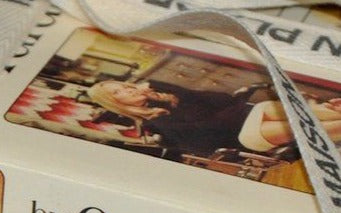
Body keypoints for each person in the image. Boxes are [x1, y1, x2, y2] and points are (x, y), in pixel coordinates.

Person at [86, 77, 341, 159]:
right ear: (116, 103)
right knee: (278, 112)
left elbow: (216, 99)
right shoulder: (155, 123)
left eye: (122, 85)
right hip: (244, 136)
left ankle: (334, 112)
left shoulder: (166, 93)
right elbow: (207, 136)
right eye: (117, 93)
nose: (126, 90)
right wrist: (231, 111)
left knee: (306, 121)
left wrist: (228, 111)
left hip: (250, 114)